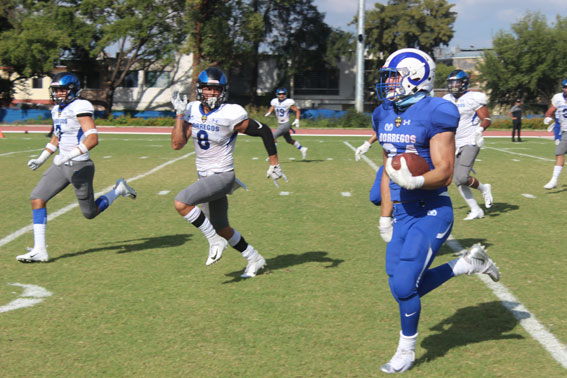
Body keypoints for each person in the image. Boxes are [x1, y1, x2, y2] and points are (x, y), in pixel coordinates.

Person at [372, 48, 500, 374]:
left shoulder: (437, 110)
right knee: (399, 284)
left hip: (431, 209)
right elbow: (389, 167)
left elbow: (444, 171)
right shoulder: (383, 114)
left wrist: (415, 181)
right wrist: (385, 214)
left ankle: (406, 351)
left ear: (415, 77)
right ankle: (469, 264)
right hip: (401, 211)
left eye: (393, 77)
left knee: (404, 286)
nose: (387, 84)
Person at [171, 67, 287, 278]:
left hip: (223, 176)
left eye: (216, 89)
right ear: (200, 90)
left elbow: (264, 131)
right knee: (221, 227)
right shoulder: (192, 109)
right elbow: (177, 144)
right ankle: (254, 257)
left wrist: (274, 162)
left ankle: (214, 242)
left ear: (223, 91)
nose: (212, 93)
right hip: (204, 176)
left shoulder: (230, 113)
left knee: (181, 202)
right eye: (207, 89)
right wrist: (179, 115)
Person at [17, 72, 137, 263]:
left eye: (63, 90)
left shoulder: (81, 106)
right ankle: (40, 249)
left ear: (73, 90)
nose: (59, 94)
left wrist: (69, 154)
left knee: (89, 213)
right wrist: (42, 158)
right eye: (56, 90)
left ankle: (118, 190)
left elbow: (93, 138)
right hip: (61, 165)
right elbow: (58, 136)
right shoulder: (56, 109)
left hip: (80, 166)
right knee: (37, 198)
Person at [443, 70, 493, 220]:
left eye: (456, 82)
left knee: (463, 177)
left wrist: (480, 129)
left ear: (464, 83)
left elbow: (487, 119)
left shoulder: (473, 98)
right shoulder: (447, 99)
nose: (453, 85)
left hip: (471, 140)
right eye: (451, 82)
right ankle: (476, 209)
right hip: (454, 142)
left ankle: (484, 189)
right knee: (457, 180)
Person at [264, 88, 308, 160]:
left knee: (271, 137)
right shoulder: (274, 101)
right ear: (277, 94)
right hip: (280, 124)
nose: (281, 96)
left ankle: (272, 155)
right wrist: (269, 112)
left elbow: (297, 111)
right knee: (288, 140)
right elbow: (273, 106)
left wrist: (297, 120)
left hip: (285, 124)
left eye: (283, 94)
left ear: (285, 94)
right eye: (280, 94)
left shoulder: (288, 102)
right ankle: (302, 148)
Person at [542, 79, 567, 189]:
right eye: (565, 87)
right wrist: (548, 117)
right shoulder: (558, 98)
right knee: (559, 152)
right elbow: (550, 111)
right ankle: (554, 180)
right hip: (565, 131)